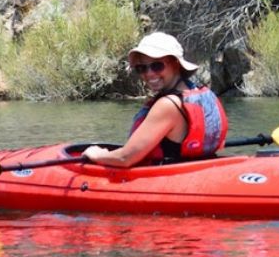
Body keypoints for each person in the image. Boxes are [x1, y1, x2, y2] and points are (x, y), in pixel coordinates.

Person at [82, 32, 229, 167]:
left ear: (175, 64)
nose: (149, 74)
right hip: (199, 171)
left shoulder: (167, 105)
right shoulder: (199, 92)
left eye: (157, 66)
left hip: (171, 181)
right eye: (141, 68)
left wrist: (98, 155)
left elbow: (125, 159)